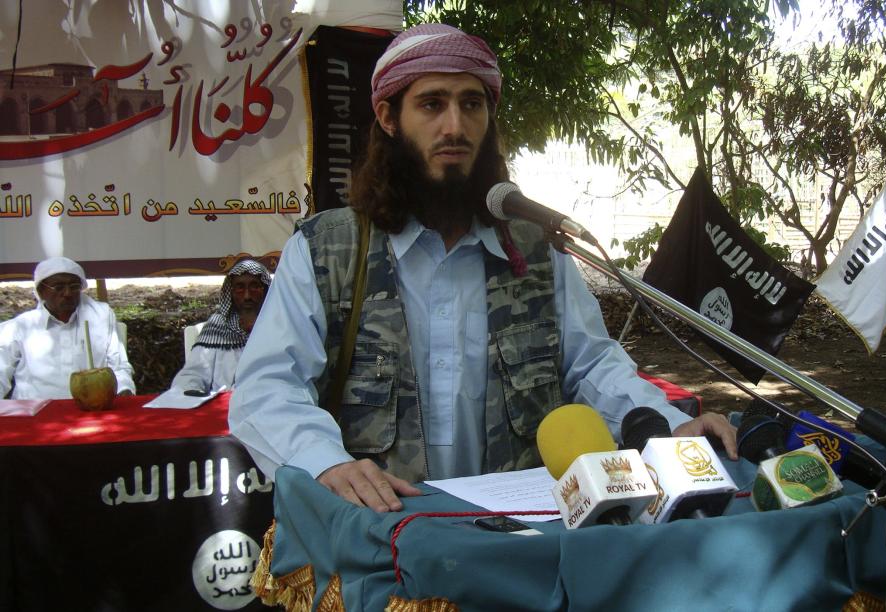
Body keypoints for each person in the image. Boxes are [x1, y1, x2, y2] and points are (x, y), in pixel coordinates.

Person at [229, 23, 737, 513]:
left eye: (471, 104)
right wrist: (328, 464)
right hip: (383, 542)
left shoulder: (536, 248)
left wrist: (667, 425)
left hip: (518, 544)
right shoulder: (326, 250)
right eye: (432, 104)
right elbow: (267, 387)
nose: (455, 126)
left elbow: (591, 366)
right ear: (388, 117)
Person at [0, 256, 135, 399]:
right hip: (35, 412)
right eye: (58, 287)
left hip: (92, 407)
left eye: (74, 286)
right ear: (41, 292)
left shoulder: (101, 318)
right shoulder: (21, 327)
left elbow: (119, 366)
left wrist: (124, 390)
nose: (67, 293)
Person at [170, 260, 271, 393]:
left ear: (265, 291)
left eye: (254, 287)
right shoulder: (217, 326)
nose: (247, 296)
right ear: (231, 292)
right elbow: (193, 374)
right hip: (224, 405)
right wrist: (191, 390)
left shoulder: (279, 326)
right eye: (240, 288)